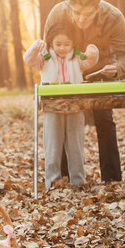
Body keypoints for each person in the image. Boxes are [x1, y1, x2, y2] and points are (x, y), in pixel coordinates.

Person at [31, 0, 125, 182]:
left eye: (87, 15)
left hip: (102, 68)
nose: (81, 19)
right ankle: (62, 178)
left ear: (98, 8)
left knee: (104, 118)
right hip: (66, 72)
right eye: (76, 13)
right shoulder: (57, 14)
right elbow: (48, 54)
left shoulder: (113, 17)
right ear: (69, 7)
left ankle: (112, 179)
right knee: (59, 116)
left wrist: (117, 68)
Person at [24, 20, 99, 190]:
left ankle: (78, 182)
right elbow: (28, 59)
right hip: (52, 109)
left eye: (67, 44)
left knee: (76, 148)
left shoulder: (77, 57)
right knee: (52, 147)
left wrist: (92, 49)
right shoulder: (45, 57)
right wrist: (37, 45)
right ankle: (52, 182)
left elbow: (92, 59)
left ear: (73, 43)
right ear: (51, 42)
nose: (62, 48)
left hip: (75, 108)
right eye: (58, 44)